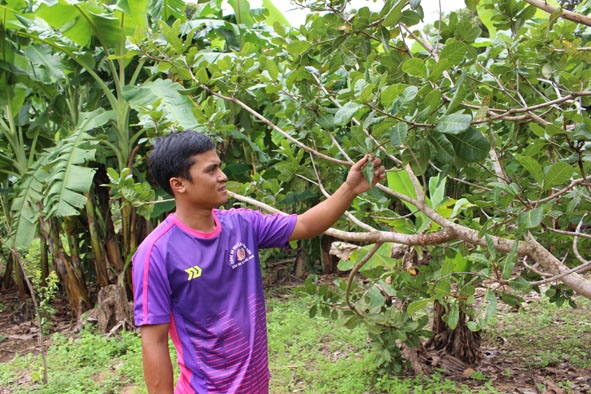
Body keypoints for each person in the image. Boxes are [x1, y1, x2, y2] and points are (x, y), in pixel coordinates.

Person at [132, 130, 386, 394]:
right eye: (211, 170)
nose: (223, 176)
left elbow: (305, 224)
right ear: (179, 184)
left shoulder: (243, 225)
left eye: (219, 167)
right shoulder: (157, 252)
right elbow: (155, 342)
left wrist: (350, 188)